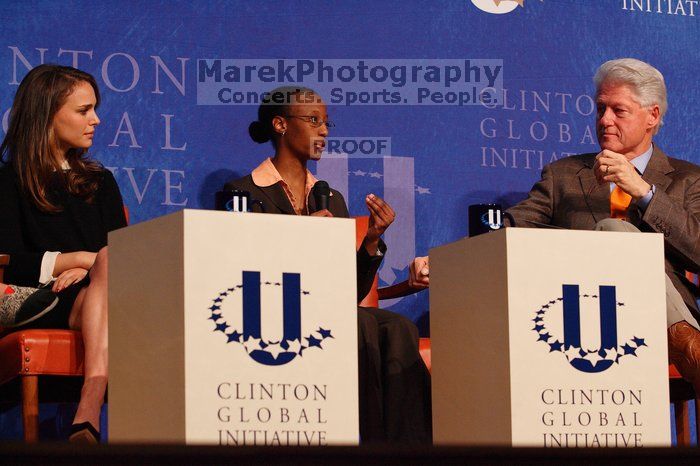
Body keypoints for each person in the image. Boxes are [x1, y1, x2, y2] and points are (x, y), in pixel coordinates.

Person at [409, 58, 700, 393]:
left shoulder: (688, 180)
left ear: (652, 116)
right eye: (600, 109)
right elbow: (510, 228)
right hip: (577, 319)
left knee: (619, 234)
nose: (604, 120)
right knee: (613, 231)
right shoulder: (563, 175)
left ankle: (684, 344)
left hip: (655, 320)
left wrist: (644, 192)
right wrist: (444, 263)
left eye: (618, 111)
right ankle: (691, 352)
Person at [225, 86, 432, 444]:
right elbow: (241, 268)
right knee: (362, 325)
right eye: (313, 120)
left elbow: (350, 291)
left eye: (326, 122)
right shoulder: (245, 192)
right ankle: (363, 442)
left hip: (327, 306)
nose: (324, 131)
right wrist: (301, 239)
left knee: (399, 327)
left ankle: (407, 446)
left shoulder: (328, 196)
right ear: (280, 124)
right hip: (275, 306)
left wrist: (370, 240)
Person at [0, 64, 127, 442]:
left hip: (95, 295)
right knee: (104, 260)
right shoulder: (8, 181)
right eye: (83, 110)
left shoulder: (100, 181)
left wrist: (95, 267)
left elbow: (122, 257)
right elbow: (9, 261)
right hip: (35, 300)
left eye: (95, 109)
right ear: (47, 114)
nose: (96, 120)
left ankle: (88, 405)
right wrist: (79, 261)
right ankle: (91, 407)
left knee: (111, 266)